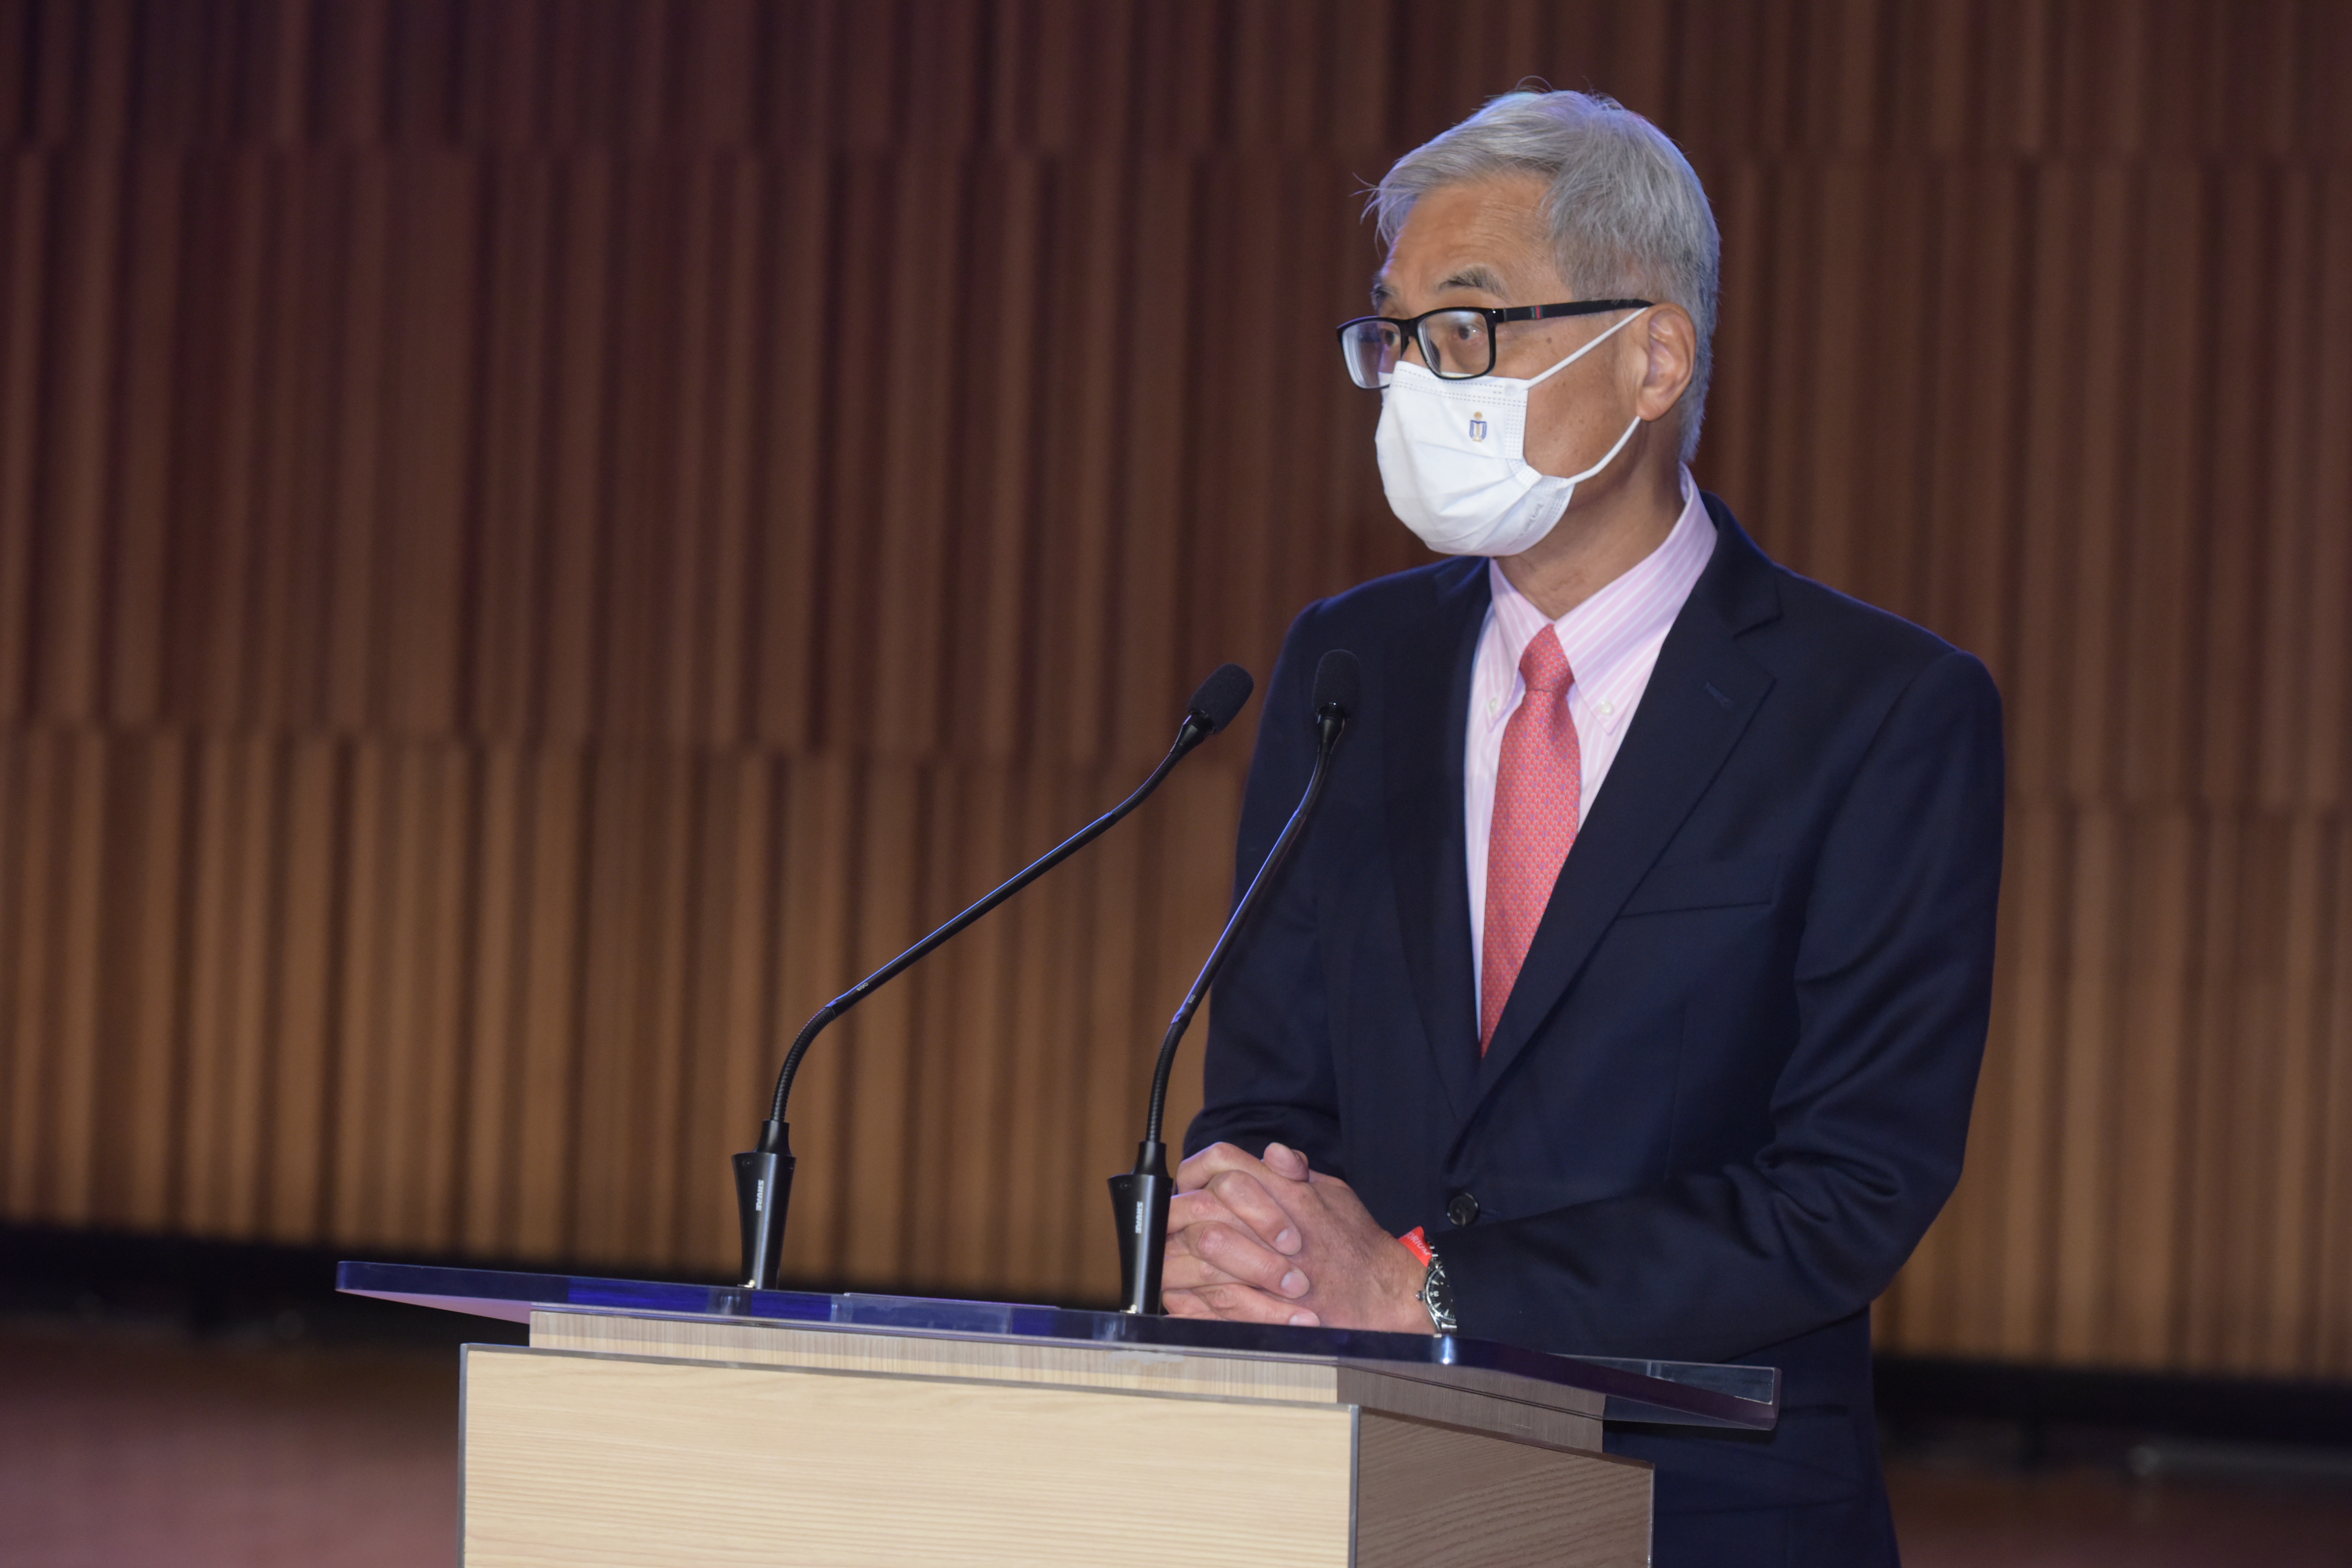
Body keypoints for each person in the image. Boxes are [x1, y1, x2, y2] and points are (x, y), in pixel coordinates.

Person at [1164, 89, 2003, 1566]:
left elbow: (1849, 1189)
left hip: (1710, 1509)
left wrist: (1431, 1288)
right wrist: (1261, 1223)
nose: (1420, 382)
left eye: (1470, 329)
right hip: (1364, 1493)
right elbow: (1268, 1086)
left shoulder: (1880, 709)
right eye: (1397, 336)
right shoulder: (1346, 665)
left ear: (1653, 358)